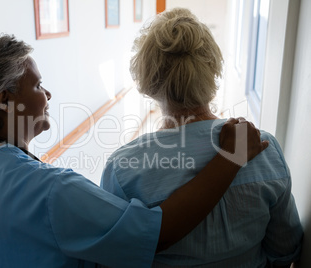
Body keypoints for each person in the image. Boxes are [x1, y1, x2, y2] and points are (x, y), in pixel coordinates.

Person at [0, 34, 267, 268]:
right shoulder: (52, 191)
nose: (48, 93)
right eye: (38, 85)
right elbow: (157, 234)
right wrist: (230, 157)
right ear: (5, 99)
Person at [101, 8, 303, 268]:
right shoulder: (263, 148)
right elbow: (285, 251)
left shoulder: (122, 169)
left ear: (147, 82)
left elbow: (116, 257)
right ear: (213, 70)